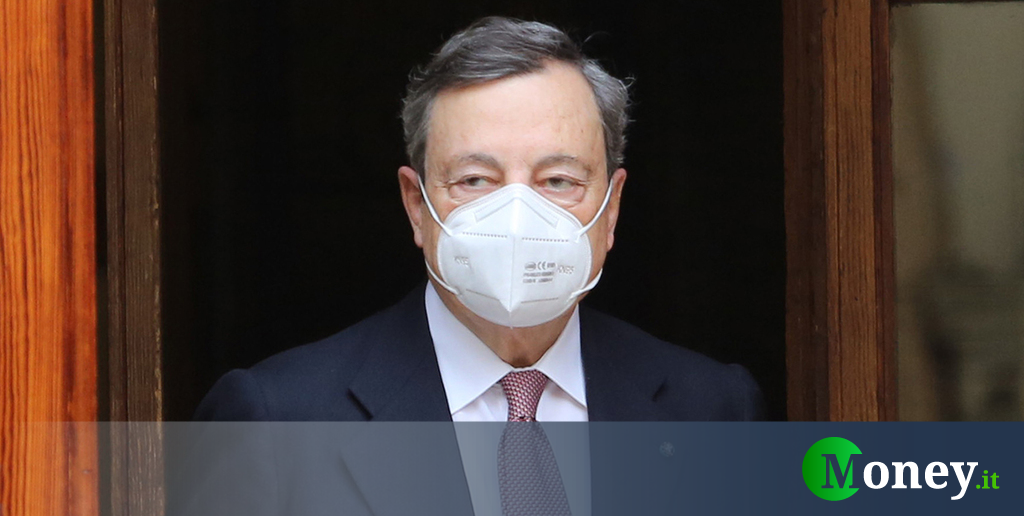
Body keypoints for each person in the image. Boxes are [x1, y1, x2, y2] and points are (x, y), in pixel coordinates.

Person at [185, 16, 763, 516]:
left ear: (611, 209)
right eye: (475, 180)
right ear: (417, 206)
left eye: (558, 181)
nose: (516, 216)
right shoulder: (276, 422)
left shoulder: (713, 411)